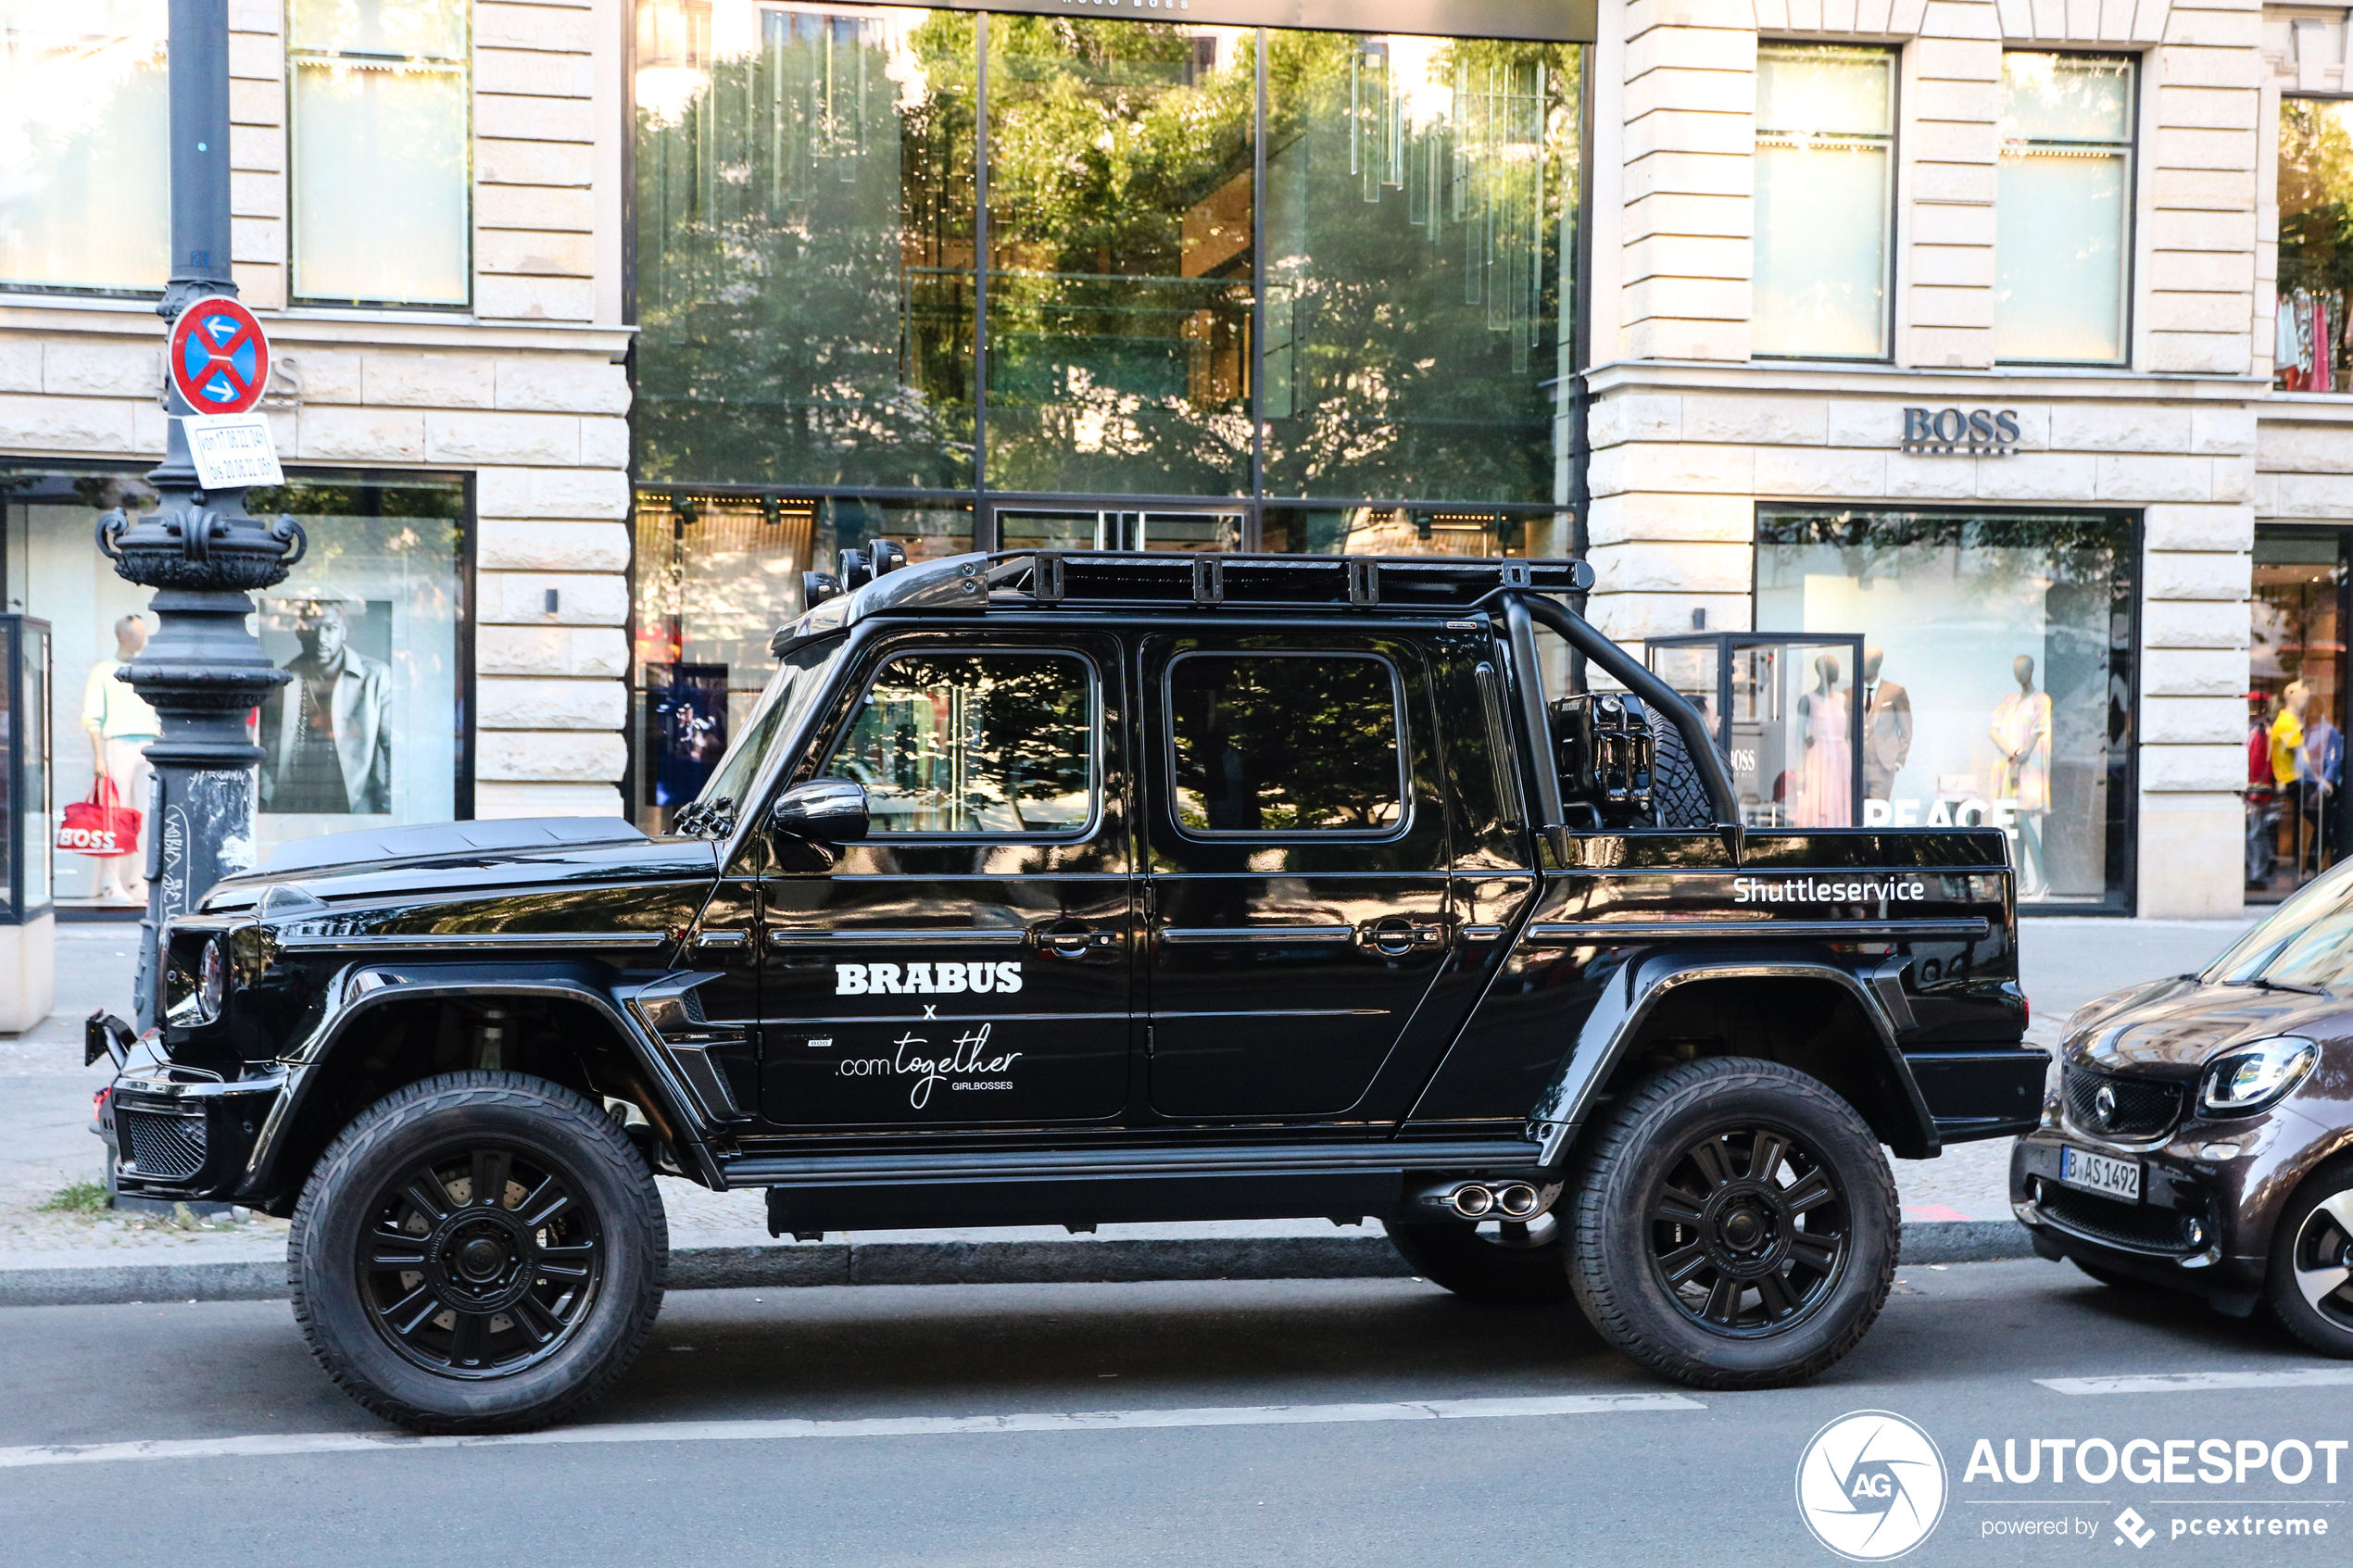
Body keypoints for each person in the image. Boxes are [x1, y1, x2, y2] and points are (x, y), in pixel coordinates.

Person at [258, 600, 392, 814]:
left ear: (344, 632)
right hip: (292, 805)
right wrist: (265, 800)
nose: (321, 639)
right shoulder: (282, 680)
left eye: (330, 629)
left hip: (356, 807)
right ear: (299, 633)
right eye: (312, 628)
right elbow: (262, 746)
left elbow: (394, 748)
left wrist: (387, 807)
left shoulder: (375, 677)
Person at [81, 615, 159, 904]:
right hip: (118, 746)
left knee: (147, 815)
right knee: (114, 815)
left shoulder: (147, 669)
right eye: (138, 634)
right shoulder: (104, 671)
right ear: (124, 636)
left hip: (149, 745)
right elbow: (93, 716)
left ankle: (138, 879)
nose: (142, 639)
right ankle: (110, 881)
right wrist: (99, 757)